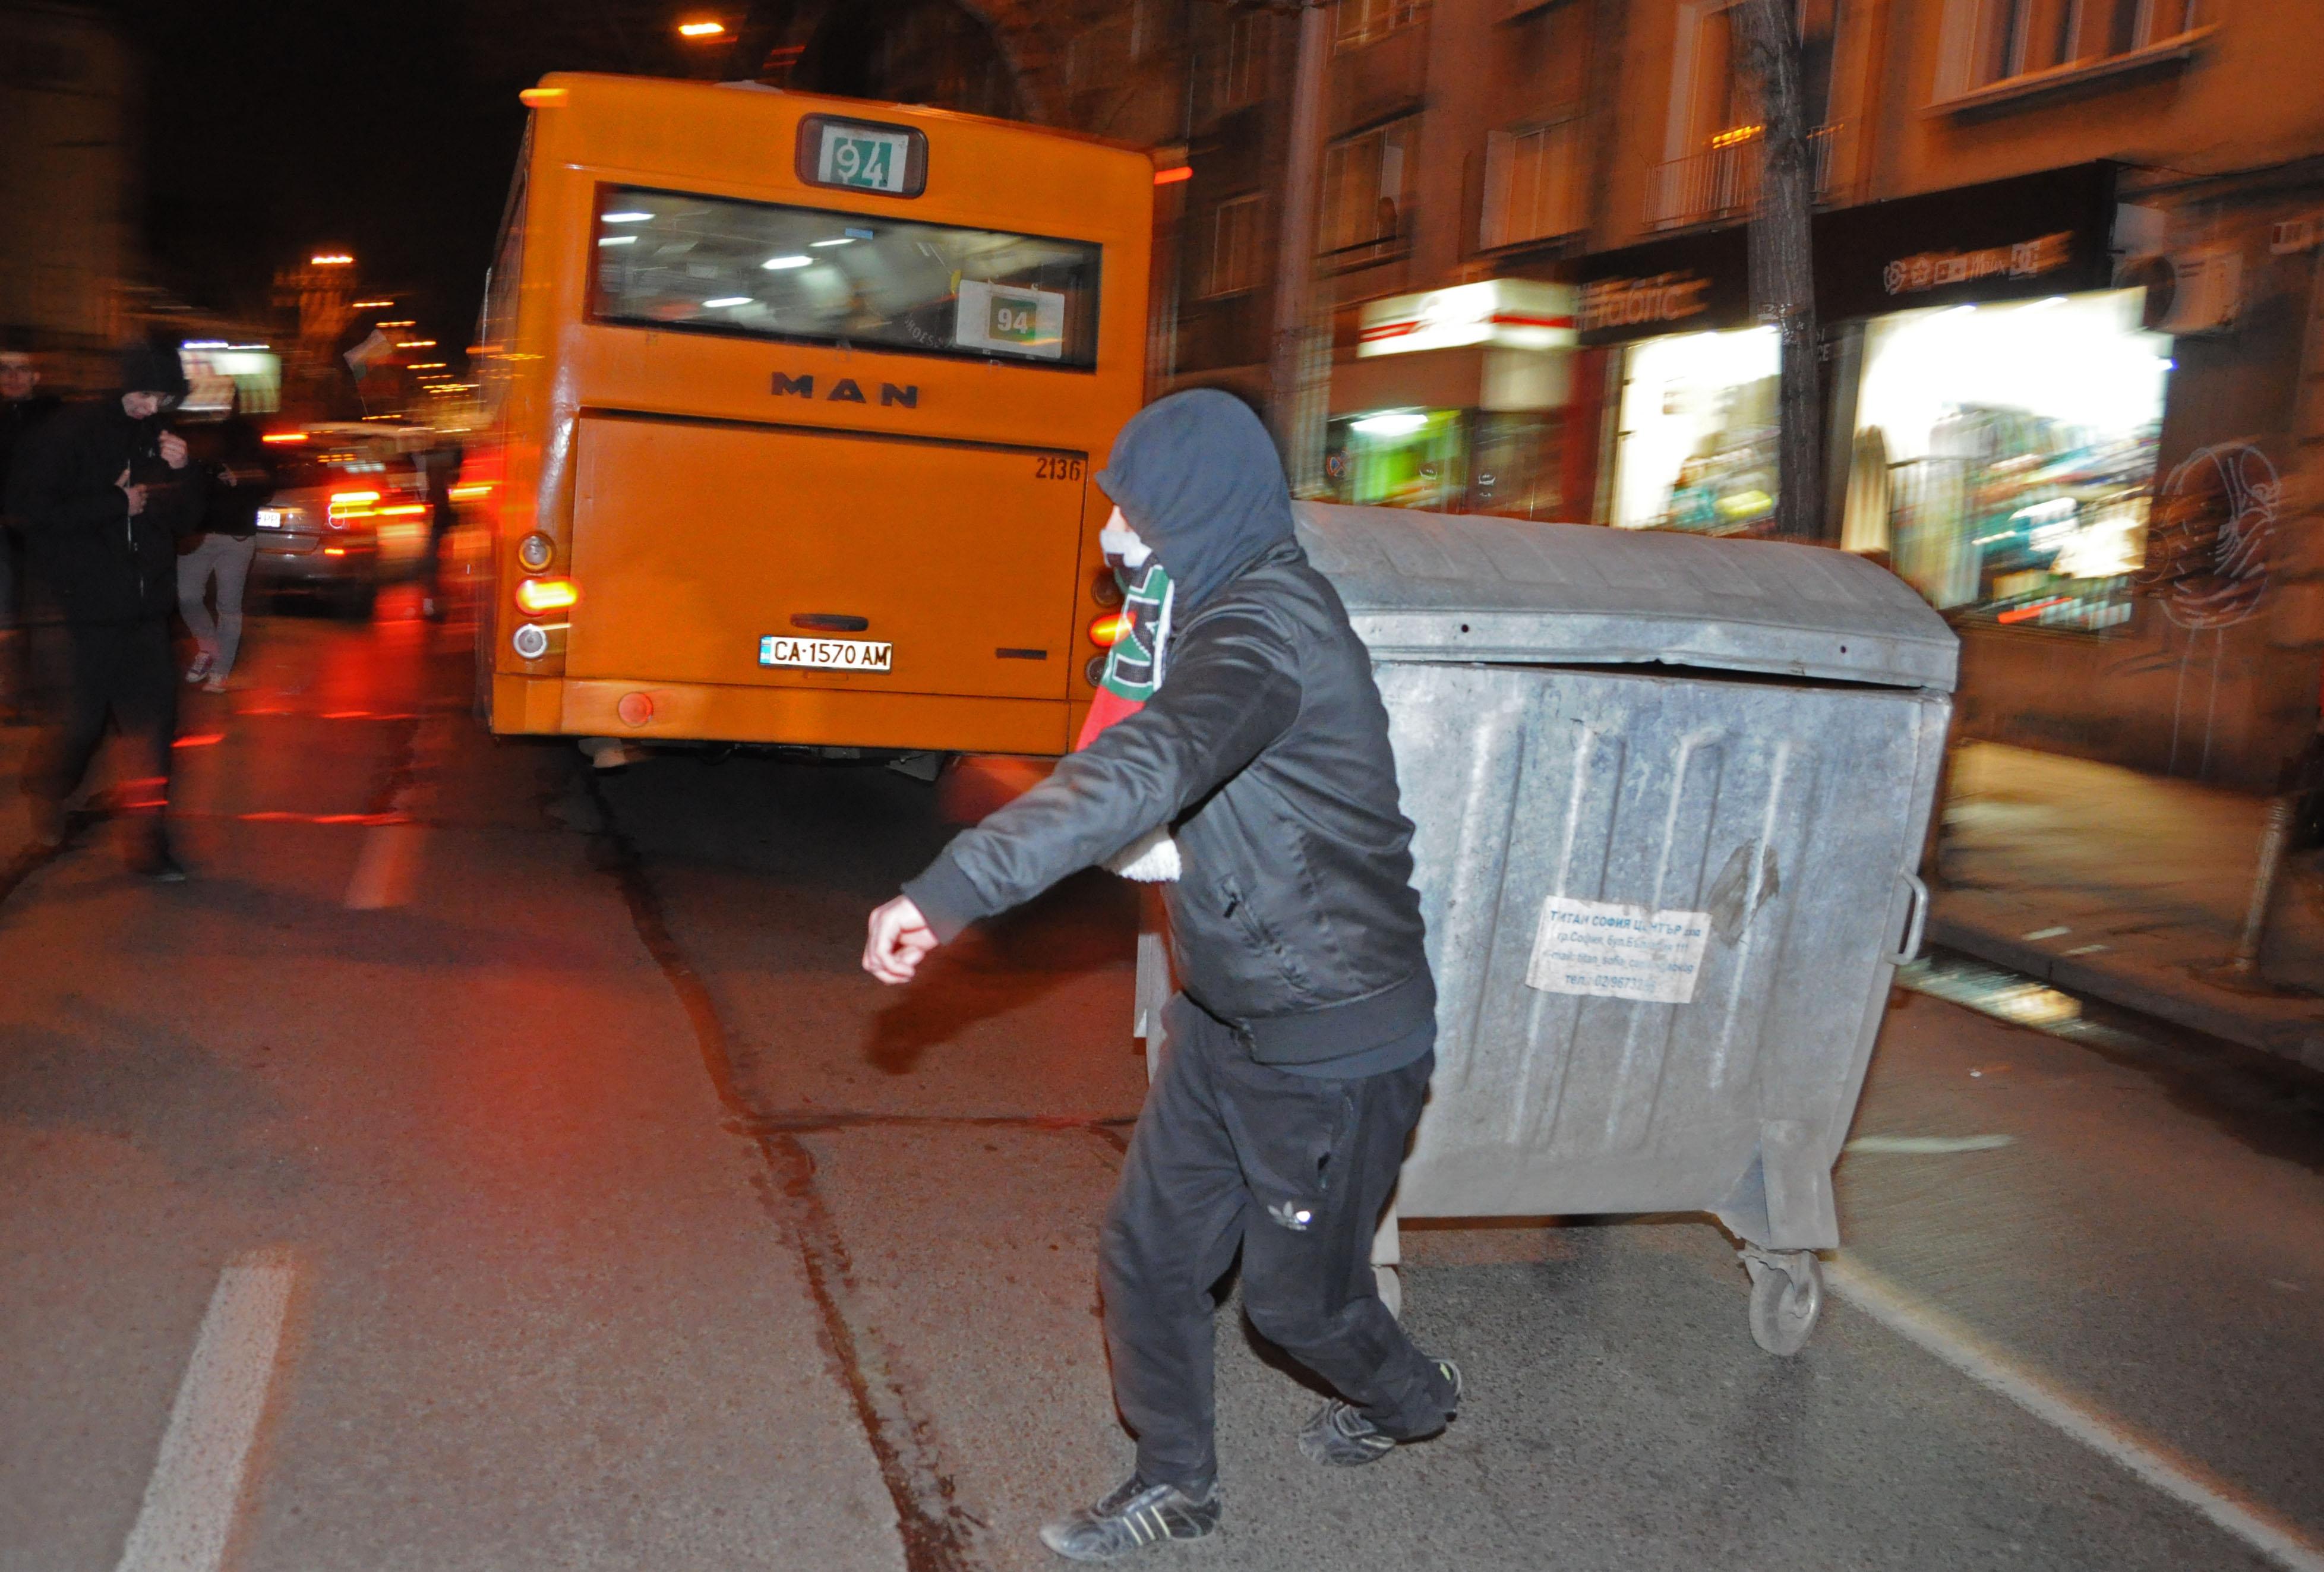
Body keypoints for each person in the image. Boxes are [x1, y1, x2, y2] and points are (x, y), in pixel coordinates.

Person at [863, 390, 1459, 1562]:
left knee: (1298, 1308)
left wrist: (952, 888)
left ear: (1192, 511)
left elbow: (1156, 759)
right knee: (1148, 1253)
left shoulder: (1260, 634)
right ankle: (1177, 1481)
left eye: (1131, 513)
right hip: (1226, 1020)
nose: (1110, 539)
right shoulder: (1203, 603)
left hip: (1334, 1045)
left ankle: (1415, 1397)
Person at [6, 340, 207, 877]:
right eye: (142, 394)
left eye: (160, 397)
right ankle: (47, 787)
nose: (149, 406)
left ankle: (151, 844)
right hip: (85, 610)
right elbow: (28, 511)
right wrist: (114, 502)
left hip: (145, 613)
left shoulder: (157, 440)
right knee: (83, 724)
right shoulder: (71, 433)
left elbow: (185, 520)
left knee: (159, 728)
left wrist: (184, 472)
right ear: (123, 385)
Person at [177, 392, 274, 692]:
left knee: (229, 606)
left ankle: (221, 670)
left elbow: (269, 483)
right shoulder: (196, 434)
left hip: (237, 534)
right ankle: (208, 648)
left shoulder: (251, 438)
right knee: (187, 596)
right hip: (200, 533)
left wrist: (240, 478)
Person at [0, 343, 62, 723]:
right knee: (9, 616)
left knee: (44, 614)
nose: (12, 376)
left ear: (36, 377)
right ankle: (17, 693)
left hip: (45, 530)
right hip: (4, 531)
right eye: (5, 369)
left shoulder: (55, 417)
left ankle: (47, 692)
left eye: (21, 369)